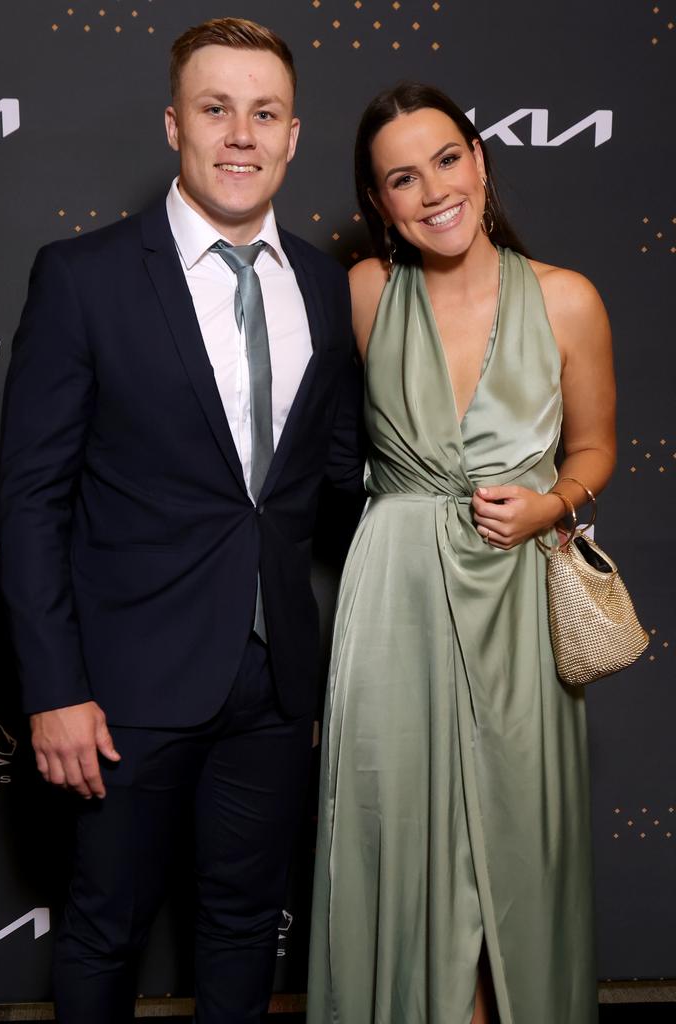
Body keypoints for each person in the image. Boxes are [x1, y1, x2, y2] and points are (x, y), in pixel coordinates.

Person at [0, 17, 363, 1024]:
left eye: (264, 113)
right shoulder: (83, 276)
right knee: (104, 928)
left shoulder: (328, 290)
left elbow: (339, 476)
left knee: (246, 926)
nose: (240, 135)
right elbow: (31, 500)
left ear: (293, 137)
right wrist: (55, 687)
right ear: (174, 126)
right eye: (215, 109)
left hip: (275, 681)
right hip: (125, 686)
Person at [307, 82, 615, 1024]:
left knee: (519, 851)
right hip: (392, 596)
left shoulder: (567, 299)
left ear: (480, 162)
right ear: (379, 203)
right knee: (391, 844)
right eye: (403, 177)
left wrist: (551, 506)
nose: (434, 190)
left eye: (447, 160)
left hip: (518, 597)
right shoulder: (362, 293)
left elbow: (595, 447)